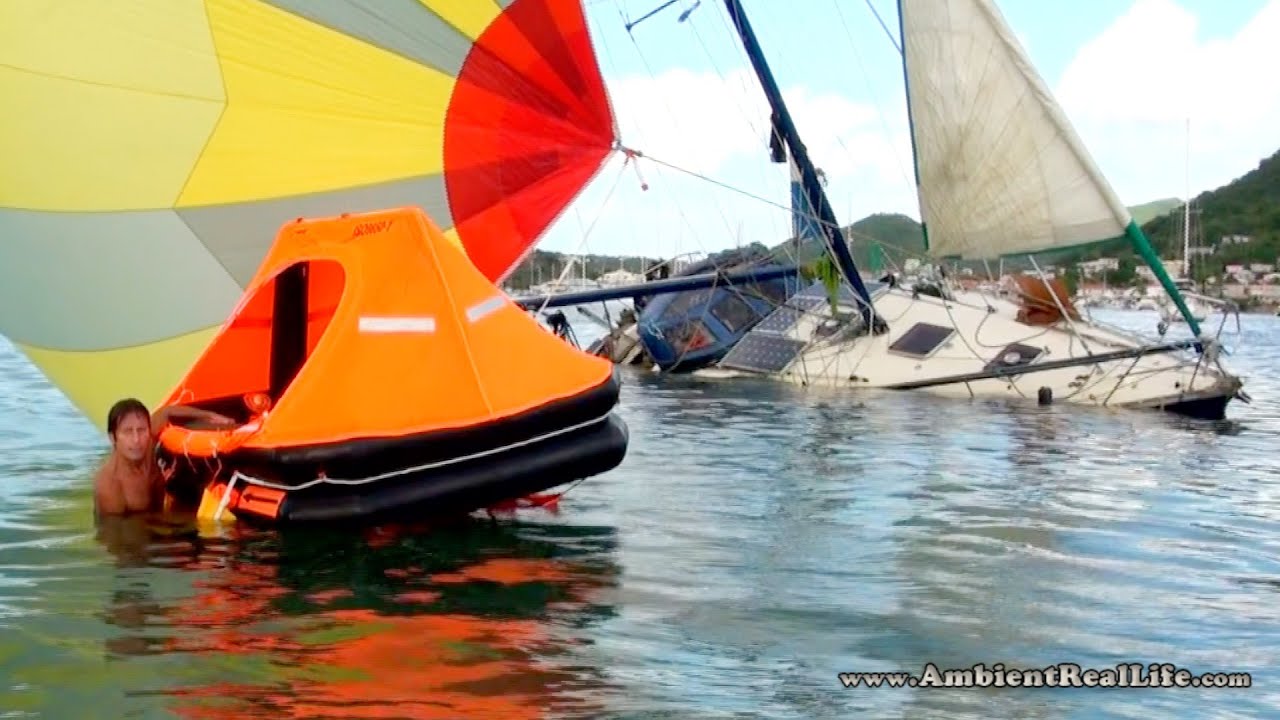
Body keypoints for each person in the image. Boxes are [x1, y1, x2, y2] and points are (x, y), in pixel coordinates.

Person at [93, 398, 236, 517]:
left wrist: (209, 416)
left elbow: (166, 412)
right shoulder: (110, 485)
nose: (136, 439)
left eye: (141, 430)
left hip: (160, 516)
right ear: (113, 438)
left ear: (149, 430)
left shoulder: (148, 443)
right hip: (137, 536)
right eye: (127, 432)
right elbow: (118, 537)